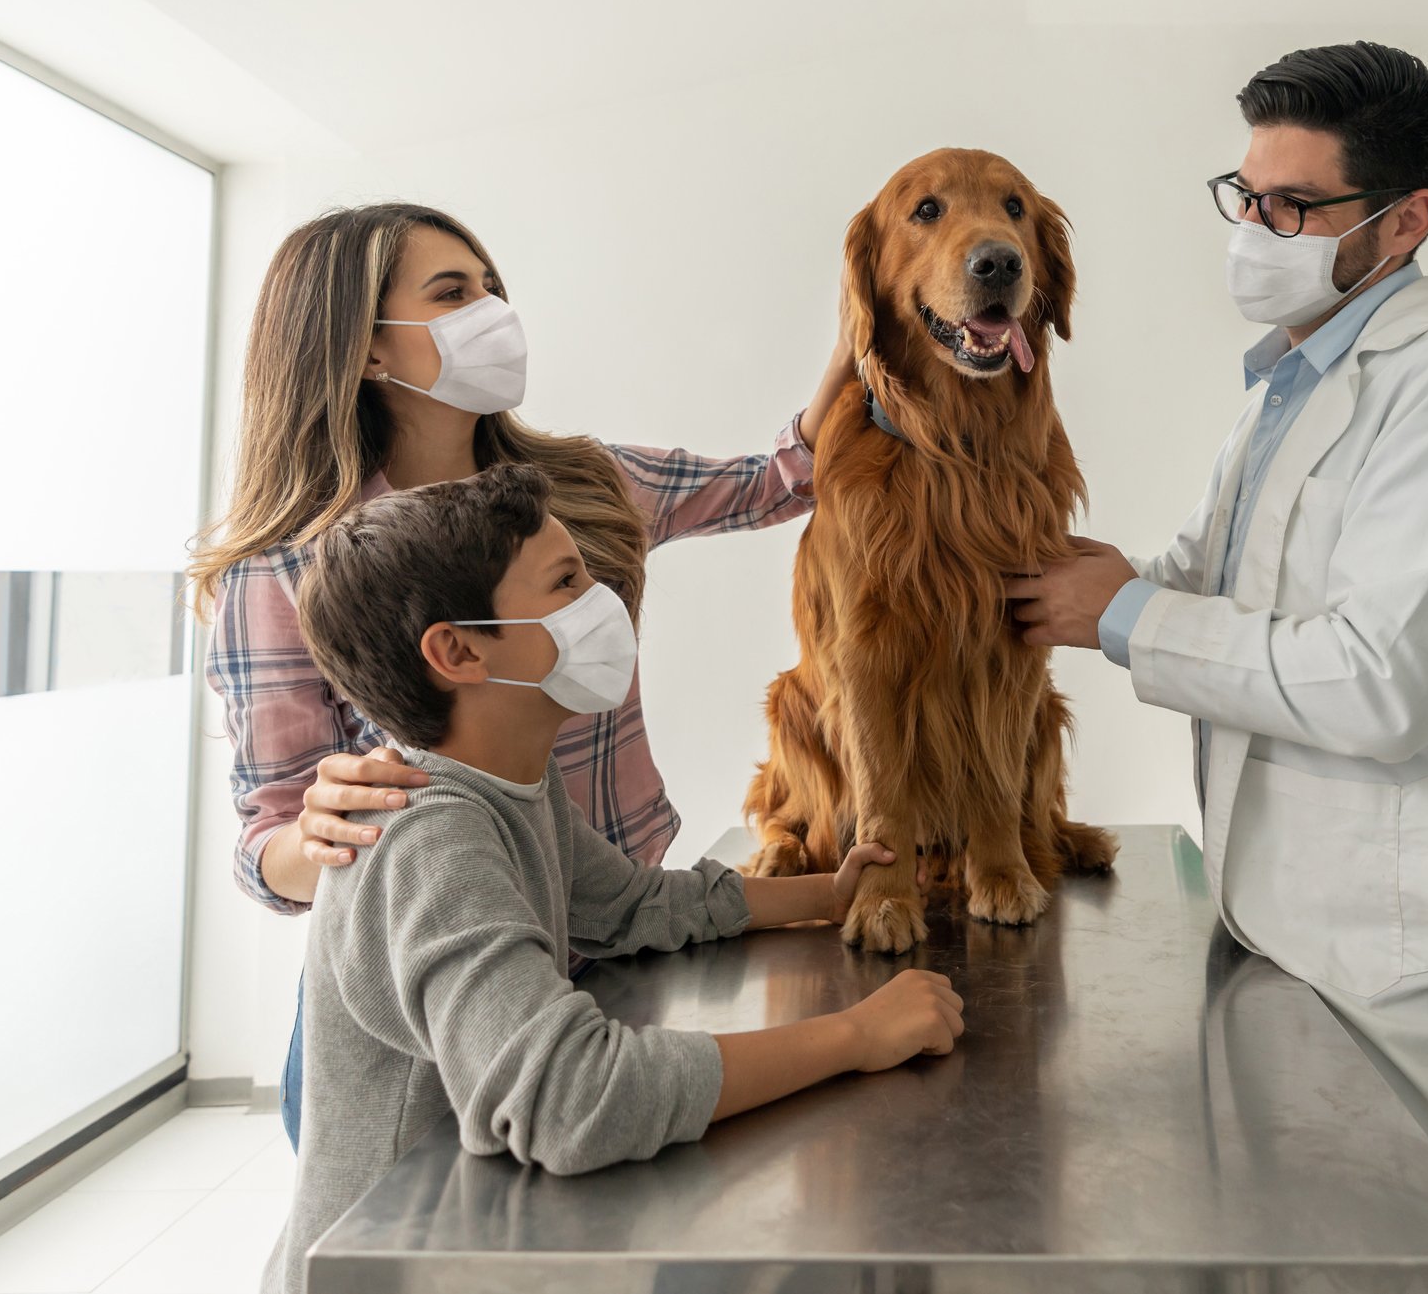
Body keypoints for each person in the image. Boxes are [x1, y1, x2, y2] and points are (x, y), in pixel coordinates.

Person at [1007, 41, 1428, 1234]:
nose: (1255, 230)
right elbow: (1213, 581)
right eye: (1246, 196)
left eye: (1294, 205)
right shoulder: (1288, 394)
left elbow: (1381, 680)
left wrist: (1122, 615)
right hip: (1276, 927)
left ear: (1407, 219)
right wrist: (1067, 577)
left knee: (1405, 1253)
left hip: (1407, 963)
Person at [187, 203, 854, 1150]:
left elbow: (781, 477)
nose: (494, 310)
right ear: (366, 348)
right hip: (440, 1014)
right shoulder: (287, 568)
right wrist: (321, 826)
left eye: (493, 287)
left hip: (623, 943)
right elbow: (270, 847)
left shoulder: (575, 487)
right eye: (454, 293)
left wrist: (864, 327)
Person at [261, 463, 963, 1294]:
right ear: (456, 650)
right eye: (567, 582)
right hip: (389, 1264)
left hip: (470, 1235)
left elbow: (629, 905)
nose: (604, 604)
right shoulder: (430, 838)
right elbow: (574, 1095)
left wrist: (827, 893)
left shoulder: (514, 782)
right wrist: (856, 1035)